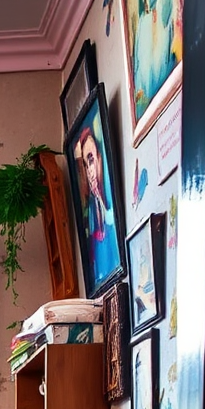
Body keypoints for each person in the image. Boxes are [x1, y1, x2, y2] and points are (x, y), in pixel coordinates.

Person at [76, 121, 120, 291]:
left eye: (92, 159)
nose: (90, 172)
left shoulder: (109, 212)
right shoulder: (93, 219)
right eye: (86, 165)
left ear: (101, 158)